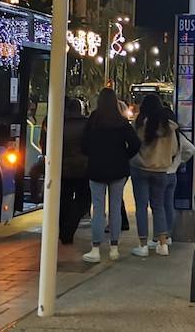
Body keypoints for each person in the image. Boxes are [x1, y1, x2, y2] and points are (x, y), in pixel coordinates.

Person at [80, 88, 140, 263]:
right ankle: (114, 248)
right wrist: (124, 156)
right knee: (115, 209)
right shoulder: (121, 122)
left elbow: (83, 145)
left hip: (96, 169)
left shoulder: (93, 120)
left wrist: (93, 154)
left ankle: (95, 249)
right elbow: (135, 144)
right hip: (118, 170)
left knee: (98, 209)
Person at [130, 94, 179, 257]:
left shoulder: (139, 124)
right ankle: (162, 244)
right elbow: (174, 151)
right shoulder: (169, 127)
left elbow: (132, 146)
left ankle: (143, 245)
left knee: (141, 207)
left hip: (140, 169)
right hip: (161, 171)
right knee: (159, 207)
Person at [57, 97, 92, 245]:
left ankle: (63, 231)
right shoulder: (87, 124)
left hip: (62, 169)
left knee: (63, 200)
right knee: (84, 200)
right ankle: (69, 228)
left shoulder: (59, 124)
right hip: (83, 170)